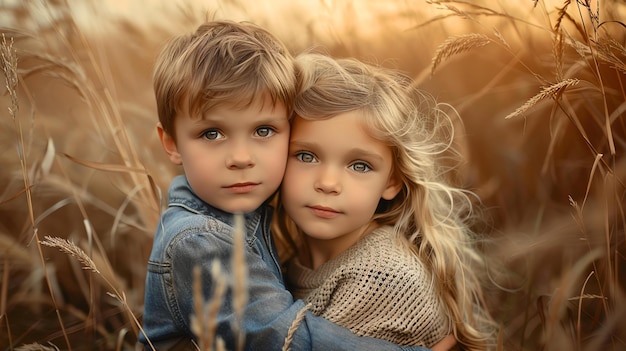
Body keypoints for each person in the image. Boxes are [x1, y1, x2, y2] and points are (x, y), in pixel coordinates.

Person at [139, 20, 450, 351]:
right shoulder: (200, 239)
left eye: (263, 131)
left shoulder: (380, 276)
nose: (241, 158)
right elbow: (285, 337)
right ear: (171, 143)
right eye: (211, 133)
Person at [273, 53, 498, 350]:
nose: (327, 183)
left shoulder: (382, 276)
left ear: (392, 181)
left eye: (360, 166)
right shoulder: (292, 254)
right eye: (306, 156)